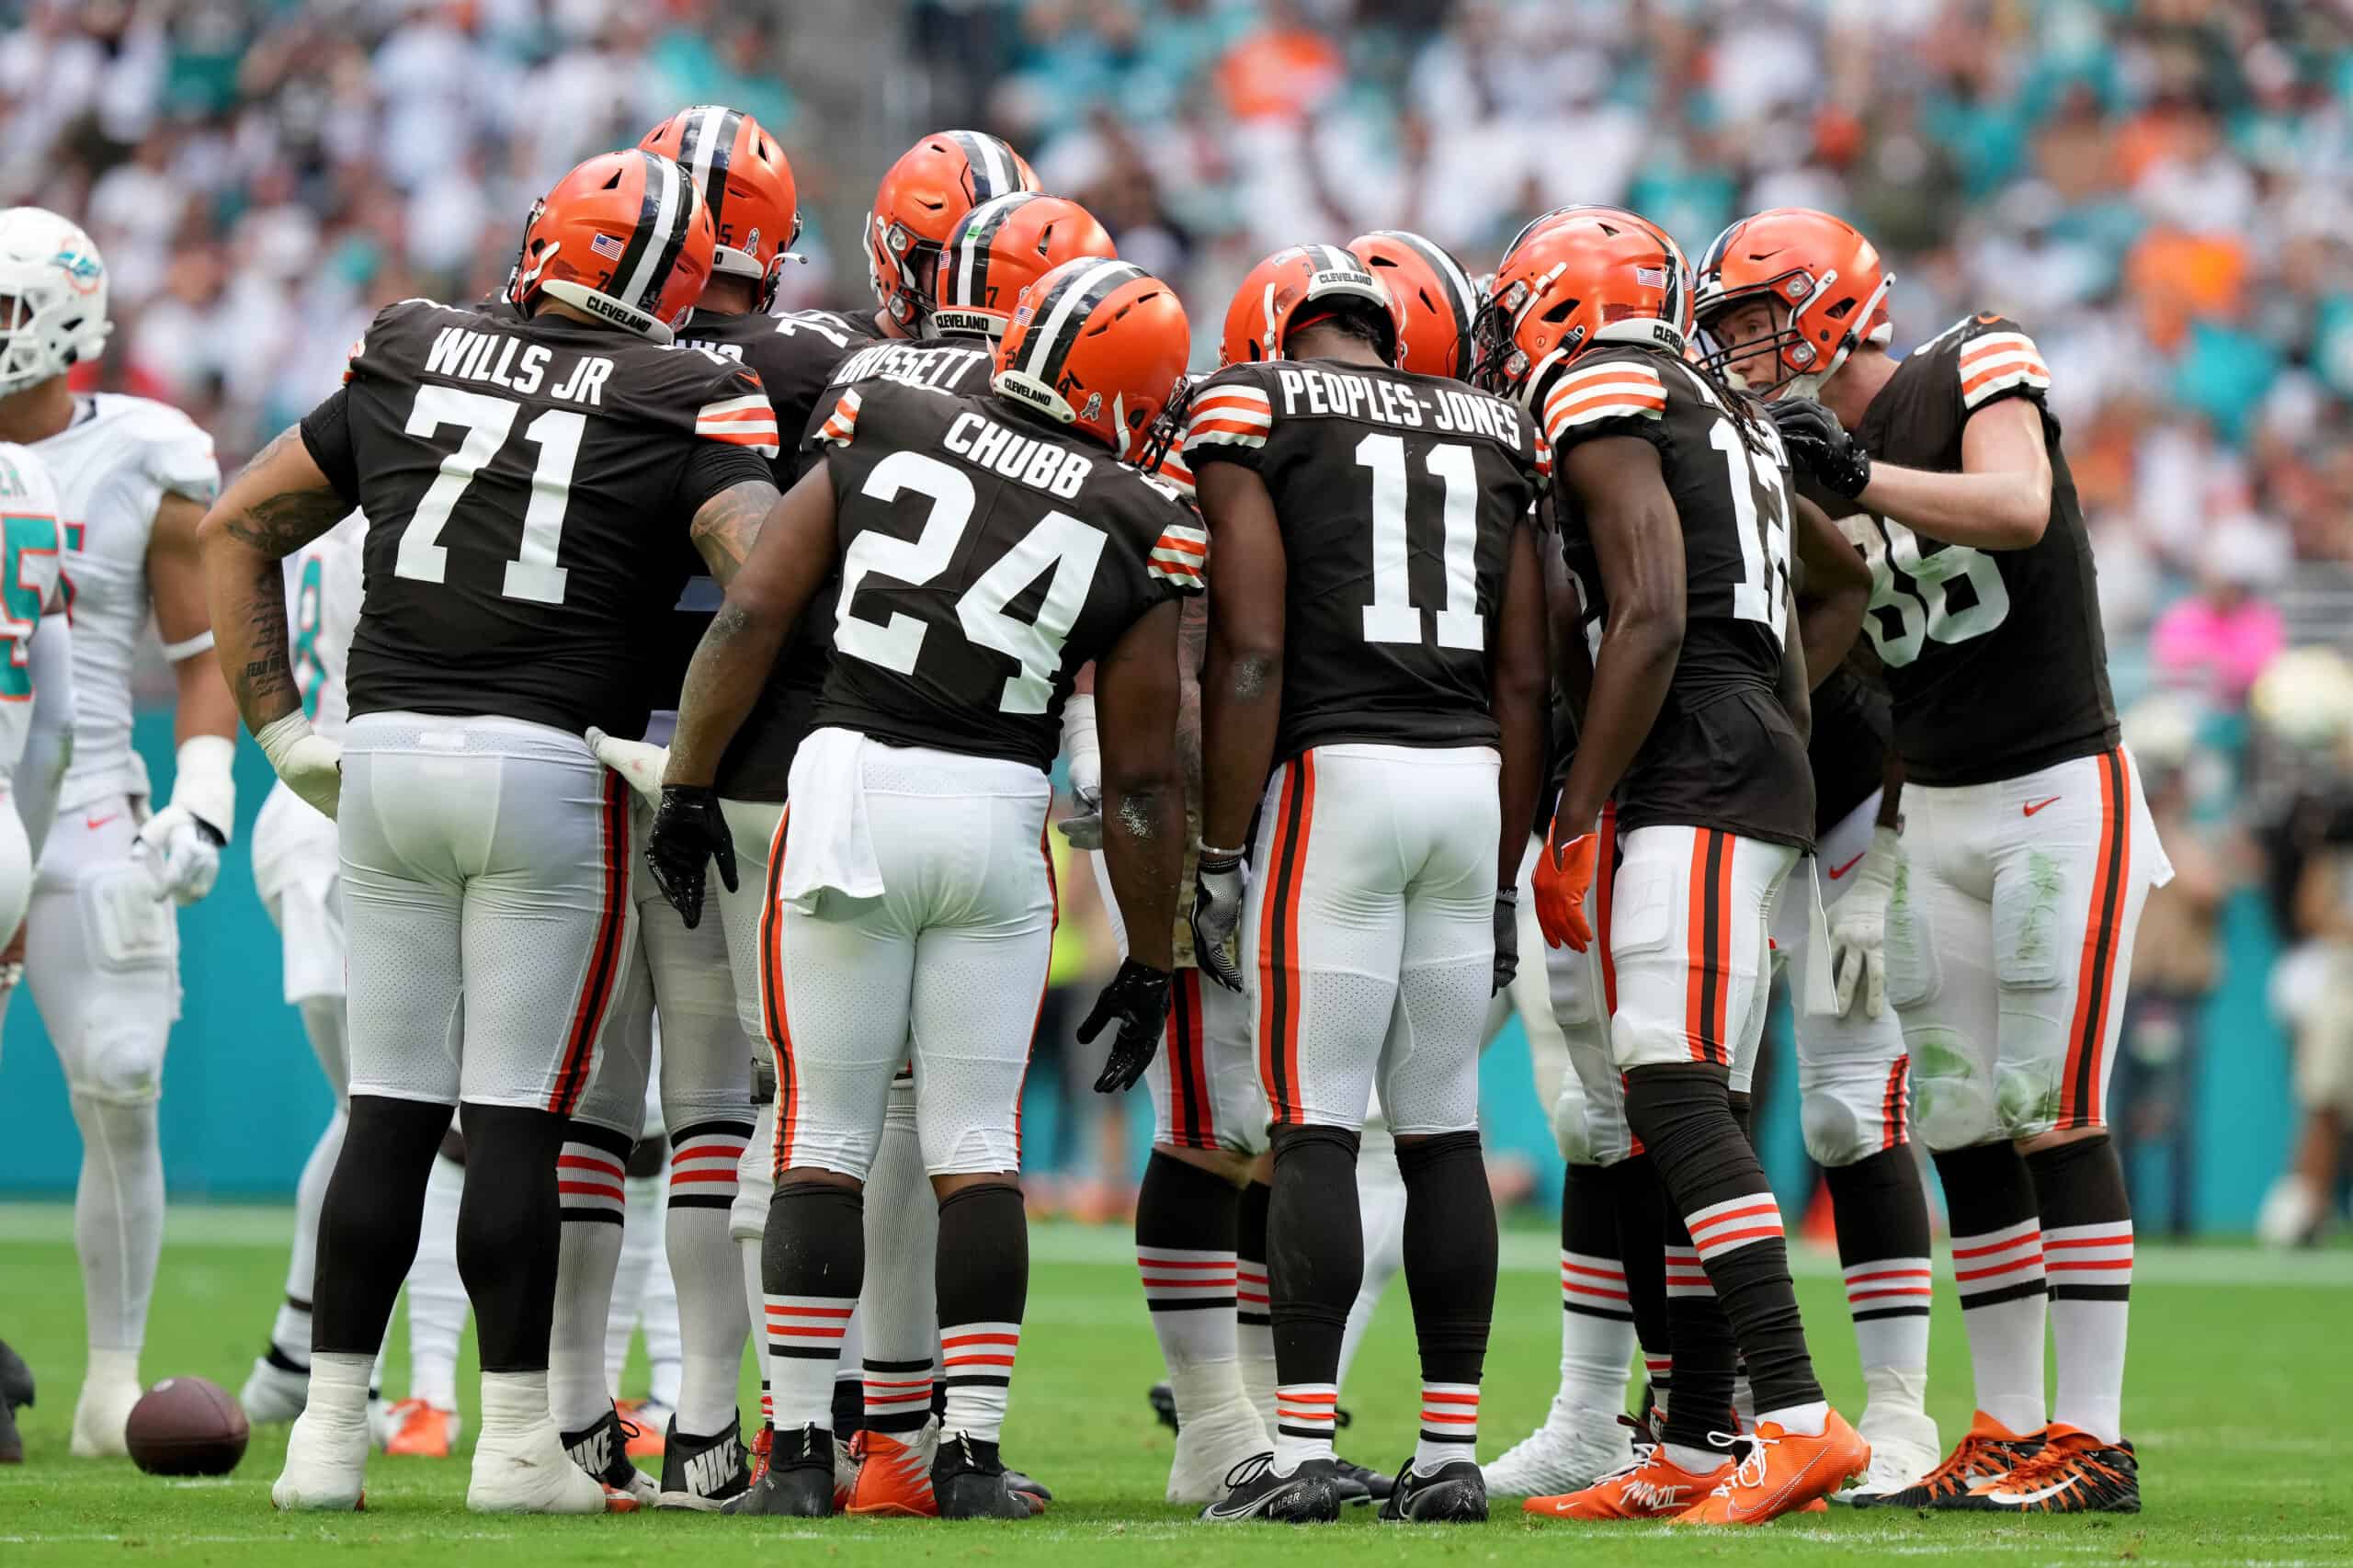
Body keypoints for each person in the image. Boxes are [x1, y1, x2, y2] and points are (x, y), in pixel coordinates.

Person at [197, 147, 784, 1515]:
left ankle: (326, 1437)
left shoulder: (411, 340)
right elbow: (758, 594)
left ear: (542, 242)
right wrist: (691, 762)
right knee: (519, 1112)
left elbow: (240, 522)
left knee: (390, 1110)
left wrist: (283, 728)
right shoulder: (689, 386)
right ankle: (519, 1440)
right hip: (548, 768)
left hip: (388, 751)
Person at [644, 255, 1200, 1521]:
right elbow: (1145, 781)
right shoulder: (1138, 510)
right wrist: (1157, 951)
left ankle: (794, 1455)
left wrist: (686, 785)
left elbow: (752, 618)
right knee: (975, 1148)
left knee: (822, 1136)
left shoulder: (886, 410)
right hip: (995, 809)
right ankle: (969, 1456)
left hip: (846, 787)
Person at [590, 143, 1057, 1516]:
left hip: (766, 759)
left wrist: (679, 759)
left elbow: (744, 584)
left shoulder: (807, 368)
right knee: (932, 1122)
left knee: (757, 1112)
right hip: (954, 771)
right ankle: (897, 1431)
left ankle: (723, 1432)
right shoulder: (1038, 400)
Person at [1705, 205, 2168, 1513]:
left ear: (1836, 301)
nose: (1745, 349)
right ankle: (2005, 1427)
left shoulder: (1972, 361)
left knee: (2051, 1107)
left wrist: (1856, 480)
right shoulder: (1793, 455)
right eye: (1729, 329)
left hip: (2058, 787)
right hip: (1938, 809)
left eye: (1758, 318)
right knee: (1960, 1118)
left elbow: (2018, 505)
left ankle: (2094, 1433)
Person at [1490, 207, 1870, 1527]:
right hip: (1738, 754)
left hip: (1692, 767)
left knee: (1668, 1076)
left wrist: (1581, 807)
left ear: (1557, 311)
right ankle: (1701, 1434)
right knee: (1673, 1096)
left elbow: (1649, 606)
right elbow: (1840, 585)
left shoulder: (1607, 379)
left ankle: (1798, 1414)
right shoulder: (1732, 410)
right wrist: (1779, 709)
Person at [1185, 243, 1552, 1525]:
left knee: (1317, 1123)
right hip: (1466, 777)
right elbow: (1525, 676)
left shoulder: (1256, 403)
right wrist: (1506, 864)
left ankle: (1298, 1450)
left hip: (1335, 779)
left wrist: (1222, 847)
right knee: (1445, 1123)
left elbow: (1252, 645)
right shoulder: (1494, 421)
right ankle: (1449, 1450)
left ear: (1274, 328)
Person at [0, 206, 238, 1458]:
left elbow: (202, 652)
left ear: (68, 317)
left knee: (126, 1077)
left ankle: (110, 1375)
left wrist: (204, 792)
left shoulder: (147, 452)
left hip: (89, 791)